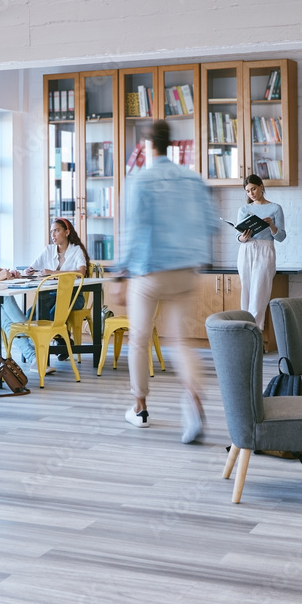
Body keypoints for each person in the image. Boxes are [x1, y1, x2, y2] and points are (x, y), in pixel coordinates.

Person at [120, 119, 215, 443]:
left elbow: (134, 229)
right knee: (179, 342)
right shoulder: (192, 178)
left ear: (148, 145)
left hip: (150, 271)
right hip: (186, 269)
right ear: (171, 144)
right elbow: (209, 224)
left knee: (139, 338)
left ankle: (140, 407)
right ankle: (192, 403)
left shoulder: (141, 180)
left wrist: (120, 272)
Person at [3, 217, 89, 366]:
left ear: (67, 232)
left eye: (57, 230)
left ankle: (57, 346)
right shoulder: (48, 250)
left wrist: (52, 272)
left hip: (73, 296)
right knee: (31, 315)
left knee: (52, 315)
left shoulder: (76, 250)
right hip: (51, 295)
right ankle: (62, 344)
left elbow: (81, 272)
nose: (53, 235)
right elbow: (33, 267)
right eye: (51, 232)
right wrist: (29, 271)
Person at [235, 173, 286, 338]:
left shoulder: (275, 208)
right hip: (246, 250)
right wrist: (243, 237)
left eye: (254, 189)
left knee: (259, 294)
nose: (251, 193)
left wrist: (271, 226)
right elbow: (239, 237)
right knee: (247, 293)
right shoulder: (244, 209)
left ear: (261, 187)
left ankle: (255, 335)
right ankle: (245, 333)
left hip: (265, 250)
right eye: (248, 191)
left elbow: (281, 237)